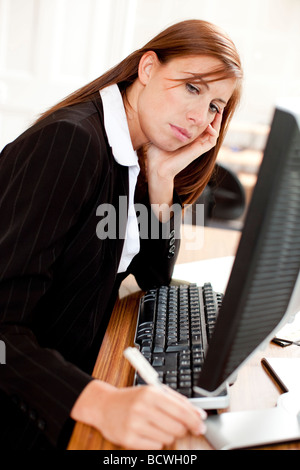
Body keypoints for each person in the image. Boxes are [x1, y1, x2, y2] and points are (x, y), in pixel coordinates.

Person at [0, 19, 243, 450]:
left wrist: (162, 179)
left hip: (71, 373)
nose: (199, 115)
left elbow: (154, 278)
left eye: (214, 106)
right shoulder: (71, 142)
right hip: (28, 400)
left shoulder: (131, 150)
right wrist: (100, 402)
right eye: (192, 87)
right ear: (147, 68)